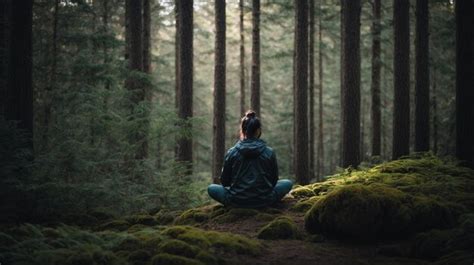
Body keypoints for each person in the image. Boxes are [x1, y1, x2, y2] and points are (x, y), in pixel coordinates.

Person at [208, 110, 293, 208]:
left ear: (243, 130)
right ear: (258, 130)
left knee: (212, 188)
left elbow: (225, 182)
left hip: (236, 201)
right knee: (287, 183)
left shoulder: (232, 152)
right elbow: (274, 181)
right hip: (265, 200)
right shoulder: (269, 152)